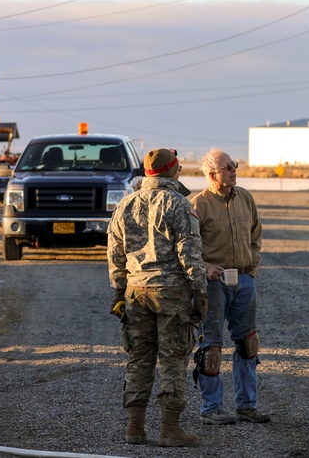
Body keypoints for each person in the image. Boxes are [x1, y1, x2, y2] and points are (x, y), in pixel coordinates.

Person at [107, 148, 207, 447]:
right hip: (171, 294)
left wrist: (118, 291)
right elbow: (189, 252)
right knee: (173, 359)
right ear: (172, 171)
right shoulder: (179, 203)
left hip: (136, 293)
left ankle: (135, 428)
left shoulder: (125, 204)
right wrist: (200, 291)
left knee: (139, 358)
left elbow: (115, 254)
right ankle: (169, 429)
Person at [190, 149, 270, 425]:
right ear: (212, 175)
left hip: (244, 280)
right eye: (227, 167)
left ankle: (247, 405)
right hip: (214, 284)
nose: (234, 170)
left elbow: (256, 234)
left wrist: (252, 269)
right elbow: (186, 249)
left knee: (248, 343)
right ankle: (210, 408)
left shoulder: (245, 197)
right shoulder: (197, 205)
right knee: (211, 348)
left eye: (234, 165)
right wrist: (204, 269)